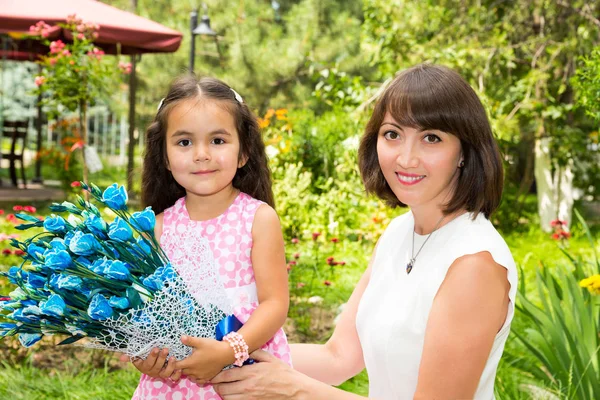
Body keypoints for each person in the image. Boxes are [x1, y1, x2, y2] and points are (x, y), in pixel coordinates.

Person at [210, 63, 518, 399]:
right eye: (393, 134)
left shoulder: (475, 263)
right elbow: (338, 358)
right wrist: (224, 351)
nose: (406, 157)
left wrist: (294, 390)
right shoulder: (399, 233)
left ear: (464, 152)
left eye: (431, 138)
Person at [123, 75, 292, 399]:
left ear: (243, 152)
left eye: (217, 140)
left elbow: (275, 303)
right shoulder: (155, 228)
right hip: (173, 386)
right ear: (165, 157)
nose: (201, 154)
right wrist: (144, 358)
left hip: (244, 375)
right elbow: (142, 313)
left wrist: (230, 350)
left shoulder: (258, 219)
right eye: (184, 142)